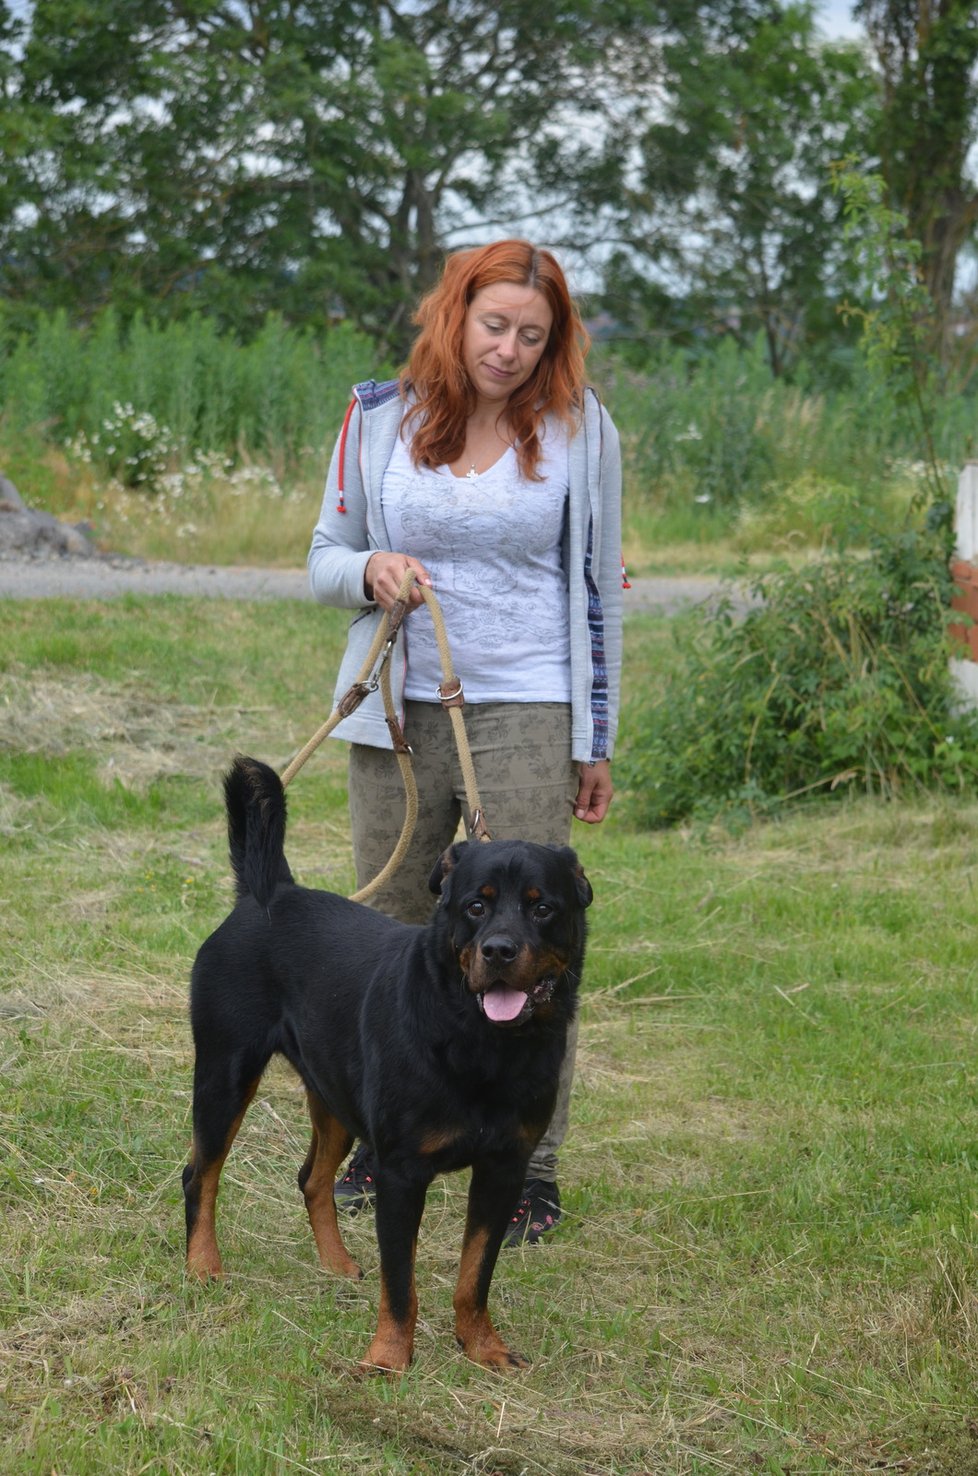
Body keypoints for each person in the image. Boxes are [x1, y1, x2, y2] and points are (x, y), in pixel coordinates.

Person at [307, 238, 623, 1245]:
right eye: (495, 326)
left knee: (527, 943)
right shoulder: (375, 416)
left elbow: (599, 589)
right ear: (455, 315)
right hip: (397, 707)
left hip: (526, 705)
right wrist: (370, 572)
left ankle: (526, 1162)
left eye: (534, 335)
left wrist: (596, 738)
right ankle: (381, 1134)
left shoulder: (582, 431)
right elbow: (322, 557)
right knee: (396, 931)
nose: (511, 350)